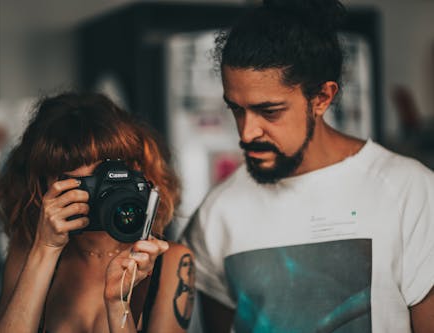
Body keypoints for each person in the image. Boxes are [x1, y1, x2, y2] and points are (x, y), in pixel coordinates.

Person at [180, 0, 434, 332]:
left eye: (269, 111)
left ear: (322, 98)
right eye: (236, 109)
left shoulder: (410, 191)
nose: (247, 131)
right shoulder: (219, 211)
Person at [0, 92, 195, 333]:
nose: (97, 195)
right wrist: (45, 250)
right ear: (44, 184)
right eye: (79, 183)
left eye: (106, 175)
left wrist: (118, 303)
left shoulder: (170, 262)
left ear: (135, 172)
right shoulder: (28, 249)